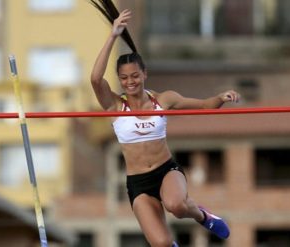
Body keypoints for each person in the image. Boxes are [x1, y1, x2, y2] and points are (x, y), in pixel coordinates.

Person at [90, 2, 240, 247]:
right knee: (161, 243)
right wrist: (112, 36)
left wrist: (221, 98)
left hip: (166, 172)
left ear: (145, 74)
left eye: (135, 76)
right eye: (125, 78)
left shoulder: (163, 99)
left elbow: (204, 106)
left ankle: (202, 215)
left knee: (176, 206)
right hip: (138, 183)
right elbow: (96, 79)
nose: (131, 82)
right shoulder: (115, 106)